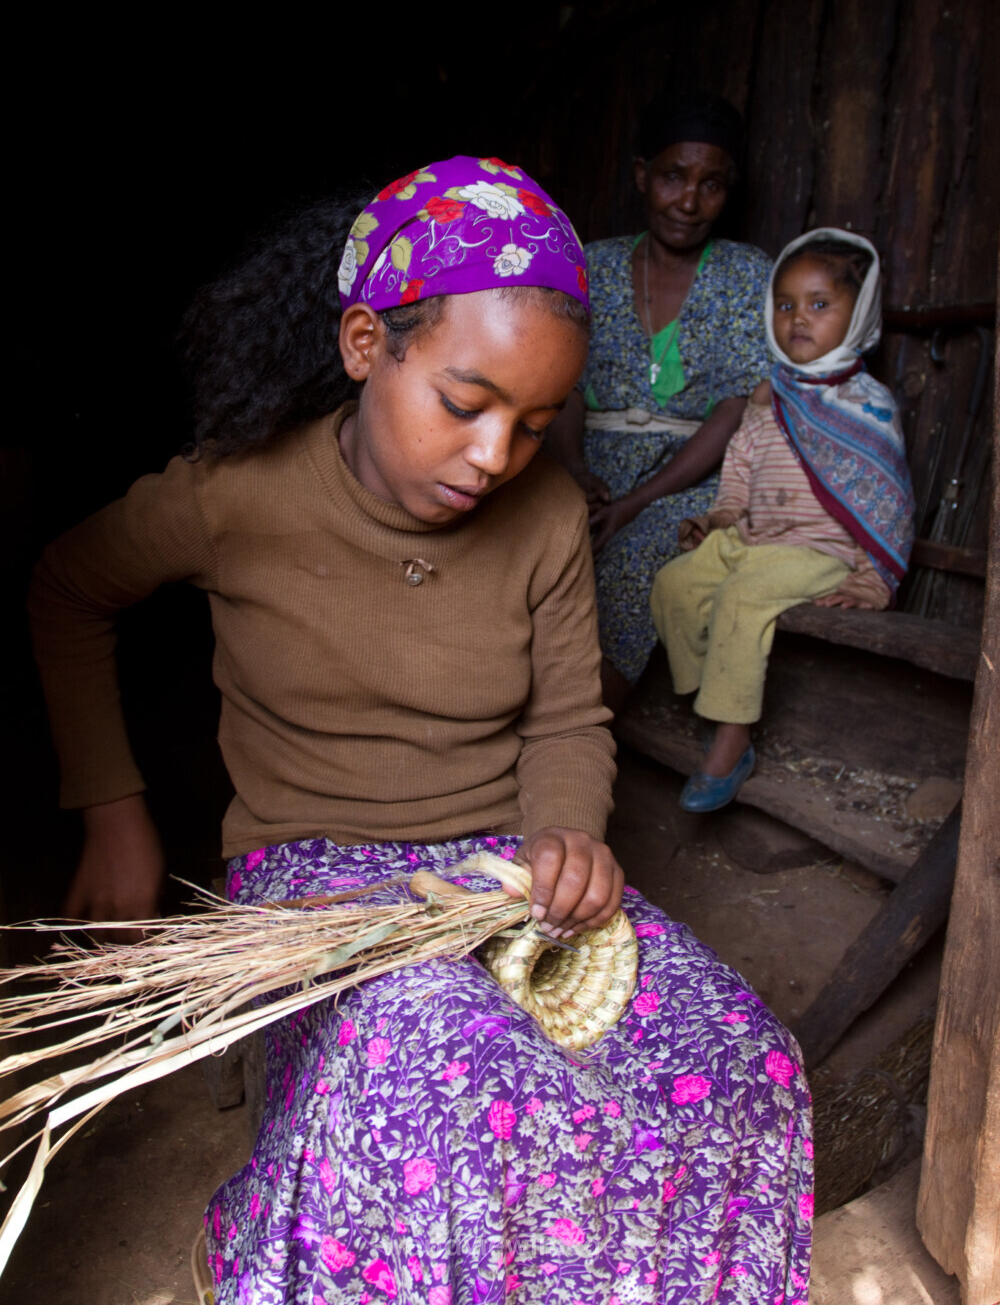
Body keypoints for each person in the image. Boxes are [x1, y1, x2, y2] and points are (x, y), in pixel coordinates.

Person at [29, 157, 812, 1304]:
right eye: (464, 404)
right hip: (317, 871)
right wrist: (112, 807)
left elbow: (563, 716)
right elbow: (66, 587)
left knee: (742, 1056)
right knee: (449, 1066)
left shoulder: (544, 514)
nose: (495, 457)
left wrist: (565, 833)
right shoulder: (235, 494)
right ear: (366, 347)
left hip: (495, 869)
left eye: (536, 425)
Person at [650, 229, 915, 812]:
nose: (799, 318)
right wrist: (720, 515)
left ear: (860, 311)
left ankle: (732, 740)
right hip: (751, 539)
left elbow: (886, 502)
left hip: (819, 552)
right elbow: (741, 463)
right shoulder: (769, 398)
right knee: (674, 584)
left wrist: (874, 577)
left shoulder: (867, 406)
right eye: (787, 304)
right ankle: (712, 703)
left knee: (740, 600)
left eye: (821, 305)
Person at [546, 90, 772, 713]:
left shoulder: (748, 274)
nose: (690, 201)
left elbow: (735, 410)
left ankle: (578, 734)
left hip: (694, 475)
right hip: (590, 461)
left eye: (712, 184)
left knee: (640, 553)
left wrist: (638, 503)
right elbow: (562, 385)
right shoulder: (591, 265)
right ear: (643, 176)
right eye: (674, 176)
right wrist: (572, 470)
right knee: (538, 541)